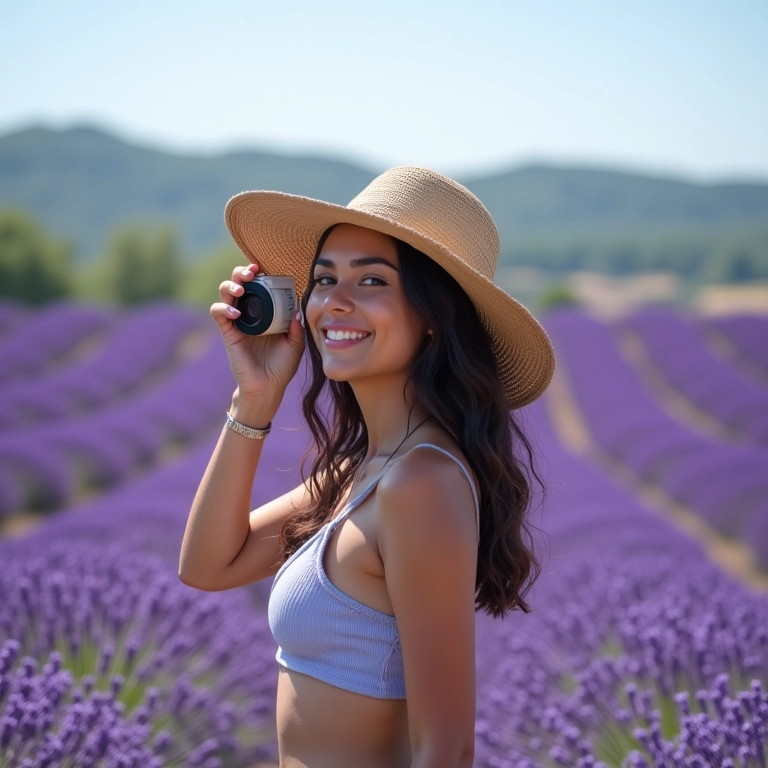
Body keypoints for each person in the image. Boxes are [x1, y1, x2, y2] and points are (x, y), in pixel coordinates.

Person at [178, 166, 555, 768]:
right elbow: (206, 565)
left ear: (435, 315)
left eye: (372, 279)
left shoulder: (419, 484)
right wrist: (253, 400)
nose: (335, 302)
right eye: (324, 280)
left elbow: (446, 750)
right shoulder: (365, 470)